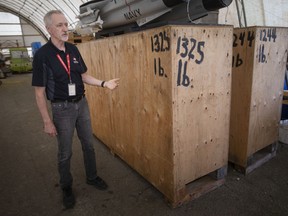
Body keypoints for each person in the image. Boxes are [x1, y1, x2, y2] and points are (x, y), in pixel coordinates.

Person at [32, 10, 120, 209]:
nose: (65, 29)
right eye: (59, 25)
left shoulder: (73, 50)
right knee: (65, 152)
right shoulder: (42, 56)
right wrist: (47, 121)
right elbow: (39, 93)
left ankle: (92, 176)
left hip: (82, 104)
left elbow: (83, 76)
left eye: (66, 24)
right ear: (49, 29)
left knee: (88, 144)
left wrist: (104, 83)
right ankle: (66, 187)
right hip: (61, 109)